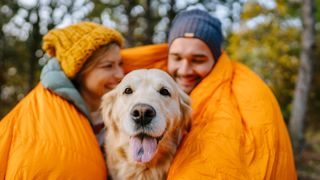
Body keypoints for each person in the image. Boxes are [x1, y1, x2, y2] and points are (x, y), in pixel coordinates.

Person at [121, 9, 297, 179]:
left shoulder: (241, 93)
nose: (184, 70)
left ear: (216, 59)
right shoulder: (150, 79)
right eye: (176, 58)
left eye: (198, 60)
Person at [0, 22, 124, 179]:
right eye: (108, 66)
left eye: (121, 64)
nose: (120, 74)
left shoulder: (118, 113)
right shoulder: (48, 115)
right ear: (80, 71)